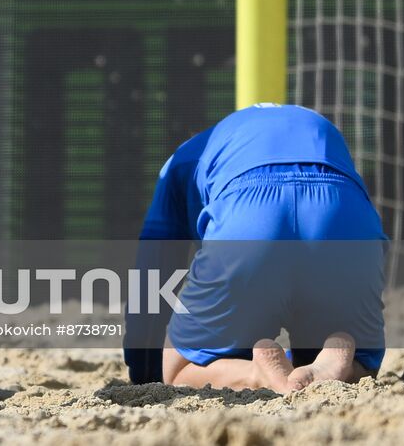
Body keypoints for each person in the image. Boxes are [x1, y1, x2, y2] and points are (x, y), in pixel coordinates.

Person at [123, 104, 386, 393]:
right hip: (344, 219)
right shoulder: (316, 127)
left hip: (251, 217)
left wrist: (143, 369)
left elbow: (153, 266)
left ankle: (256, 374)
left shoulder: (186, 156)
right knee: (363, 360)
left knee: (179, 369)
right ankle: (344, 363)